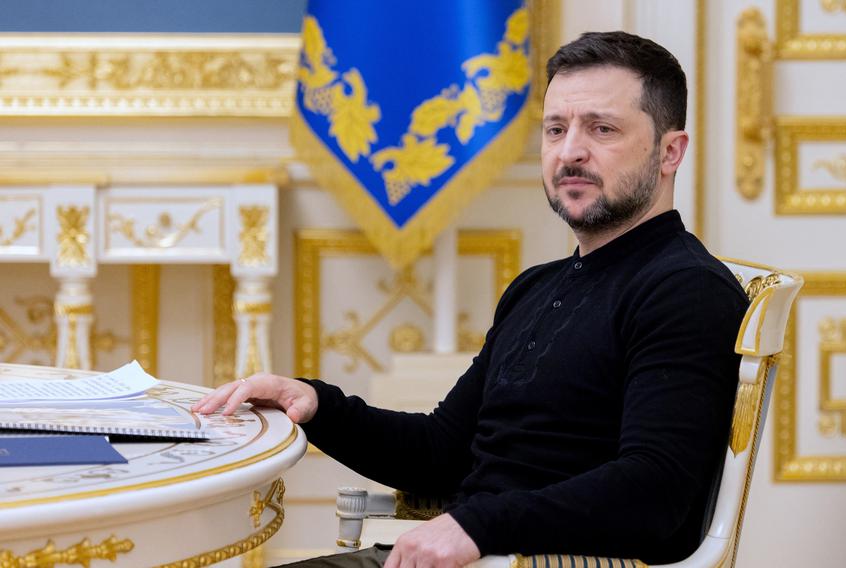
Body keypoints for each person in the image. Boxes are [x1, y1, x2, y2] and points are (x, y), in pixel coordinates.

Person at [194, 31, 748, 568]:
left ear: (670, 151)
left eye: (602, 129)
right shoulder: (537, 285)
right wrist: (314, 404)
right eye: (555, 129)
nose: (570, 151)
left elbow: (653, 494)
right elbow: (441, 452)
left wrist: (475, 526)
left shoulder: (685, 290)